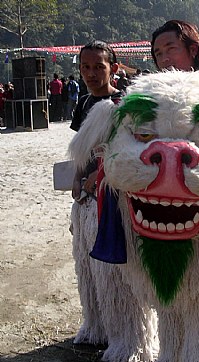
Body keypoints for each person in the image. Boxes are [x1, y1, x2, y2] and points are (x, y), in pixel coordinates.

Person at [70, 40, 123, 344]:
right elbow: (81, 150)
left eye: (98, 67)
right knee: (87, 267)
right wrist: (78, 178)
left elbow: (122, 151)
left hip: (110, 198)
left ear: (113, 68)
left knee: (112, 273)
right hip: (84, 201)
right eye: (85, 67)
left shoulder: (122, 105)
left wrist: (97, 176)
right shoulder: (84, 103)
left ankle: (121, 334)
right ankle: (96, 327)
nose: (91, 73)